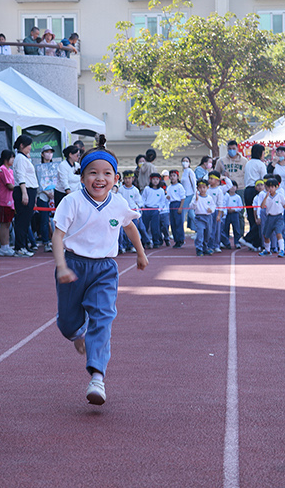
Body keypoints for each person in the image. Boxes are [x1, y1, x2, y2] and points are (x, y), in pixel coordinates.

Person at [51, 135, 148, 406]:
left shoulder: (118, 203)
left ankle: (97, 376)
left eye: (106, 173)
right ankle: (77, 335)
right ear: (82, 177)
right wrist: (61, 266)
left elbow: (129, 226)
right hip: (73, 265)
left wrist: (140, 254)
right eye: (92, 172)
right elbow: (57, 236)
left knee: (103, 317)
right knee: (67, 323)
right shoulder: (72, 202)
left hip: (105, 268)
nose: (99, 178)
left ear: (116, 178)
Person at [10, 135, 38, 257]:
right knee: (22, 220)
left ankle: (24, 246)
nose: (30, 148)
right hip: (24, 190)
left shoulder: (24, 158)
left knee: (26, 221)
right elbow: (21, 176)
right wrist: (24, 193)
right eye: (28, 145)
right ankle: (19, 247)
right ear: (22, 145)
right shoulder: (20, 158)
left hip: (29, 190)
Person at [0, 150, 17, 255]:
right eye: (11, 157)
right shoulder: (2, 169)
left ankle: (6, 245)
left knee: (8, 223)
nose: (13, 160)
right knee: (4, 223)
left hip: (10, 201)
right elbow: (9, 185)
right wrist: (20, 187)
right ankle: (3, 246)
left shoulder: (10, 170)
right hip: (3, 200)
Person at [116, 171, 146, 253]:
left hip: (132, 213)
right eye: (125, 178)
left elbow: (139, 203)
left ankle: (132, 245)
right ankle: (123, 246)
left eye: (129, 178)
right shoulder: (121, 190)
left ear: (133, 179)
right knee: (123, 231)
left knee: (133, 230)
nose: (127, 180)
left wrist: (139, 215)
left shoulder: (135, 190)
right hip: (123, 213)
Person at [141, 173, 168, 248]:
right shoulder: (147, 189)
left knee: (155, 227)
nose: (155, 181)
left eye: (157, 179)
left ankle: (156, 241)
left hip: (155, 210)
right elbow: (143, 198)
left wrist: (159, 209)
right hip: (147, 208)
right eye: (153, 179)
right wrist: (142, 207)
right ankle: (144, 241)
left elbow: (162, 201)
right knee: (144, 227)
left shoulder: (161, 191)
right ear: (151, 180)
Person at [191, 179, 215, 256]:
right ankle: (199, 248)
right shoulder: (196, 197)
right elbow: (191, 207)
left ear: (207, 188)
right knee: (200, 233)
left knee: (207, 233)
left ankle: (205, 248)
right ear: (197, 188)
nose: (202, 189)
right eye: (200, 188)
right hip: (199, 217)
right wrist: (196, 200)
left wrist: (211, 210)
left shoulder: (209, 198)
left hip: (208, 217)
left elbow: (213, 206)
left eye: (204, 187)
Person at [166, 170, 186, 248]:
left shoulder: (179, 186)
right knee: (173, 223)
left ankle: (180, 239)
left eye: (174, 176)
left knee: (178, 223)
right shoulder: (169, 187)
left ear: (177, 177)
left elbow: (183, 197)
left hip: (177, 204)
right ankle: (176, 239)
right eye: (171, 176)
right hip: (171, 204)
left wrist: (180, 207)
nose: (172, 177)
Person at [222, 182, 244, 250]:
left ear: (236, 188)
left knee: (236, 228)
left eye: (234, 186)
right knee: (226, 228)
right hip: (227, 214)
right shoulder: (226, 196)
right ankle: (225, 242)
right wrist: (226, 210)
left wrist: (234, 210)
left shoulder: (237, 197)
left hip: (235, 214)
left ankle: (237, 242)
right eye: (231, 186)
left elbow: (241, 207)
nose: (232, 188)